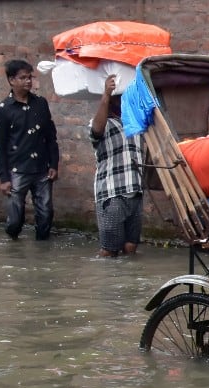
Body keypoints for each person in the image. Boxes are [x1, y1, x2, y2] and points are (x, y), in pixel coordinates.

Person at [0, 59, 59, 241]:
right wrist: (4, 177)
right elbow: (0, 144)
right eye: (23, 78)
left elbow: (51, 136)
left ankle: (42, 253)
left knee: (46, 213)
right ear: (11, 80)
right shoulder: (3, 109)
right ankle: (12, 247)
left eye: (30, 77)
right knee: (15, 219)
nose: (28, 81)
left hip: (42, 168)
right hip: (17, 169)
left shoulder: (40, 104)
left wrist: (54, 163)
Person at [89, 75, 144, 257]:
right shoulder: (103, 123)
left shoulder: (135, 124)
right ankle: (107, 282)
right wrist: (106, 94)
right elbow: (96, 130)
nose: (123, 101)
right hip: (112, 193)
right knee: (109, 250)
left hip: (135, 191)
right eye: (119, 98)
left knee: (130, 247)